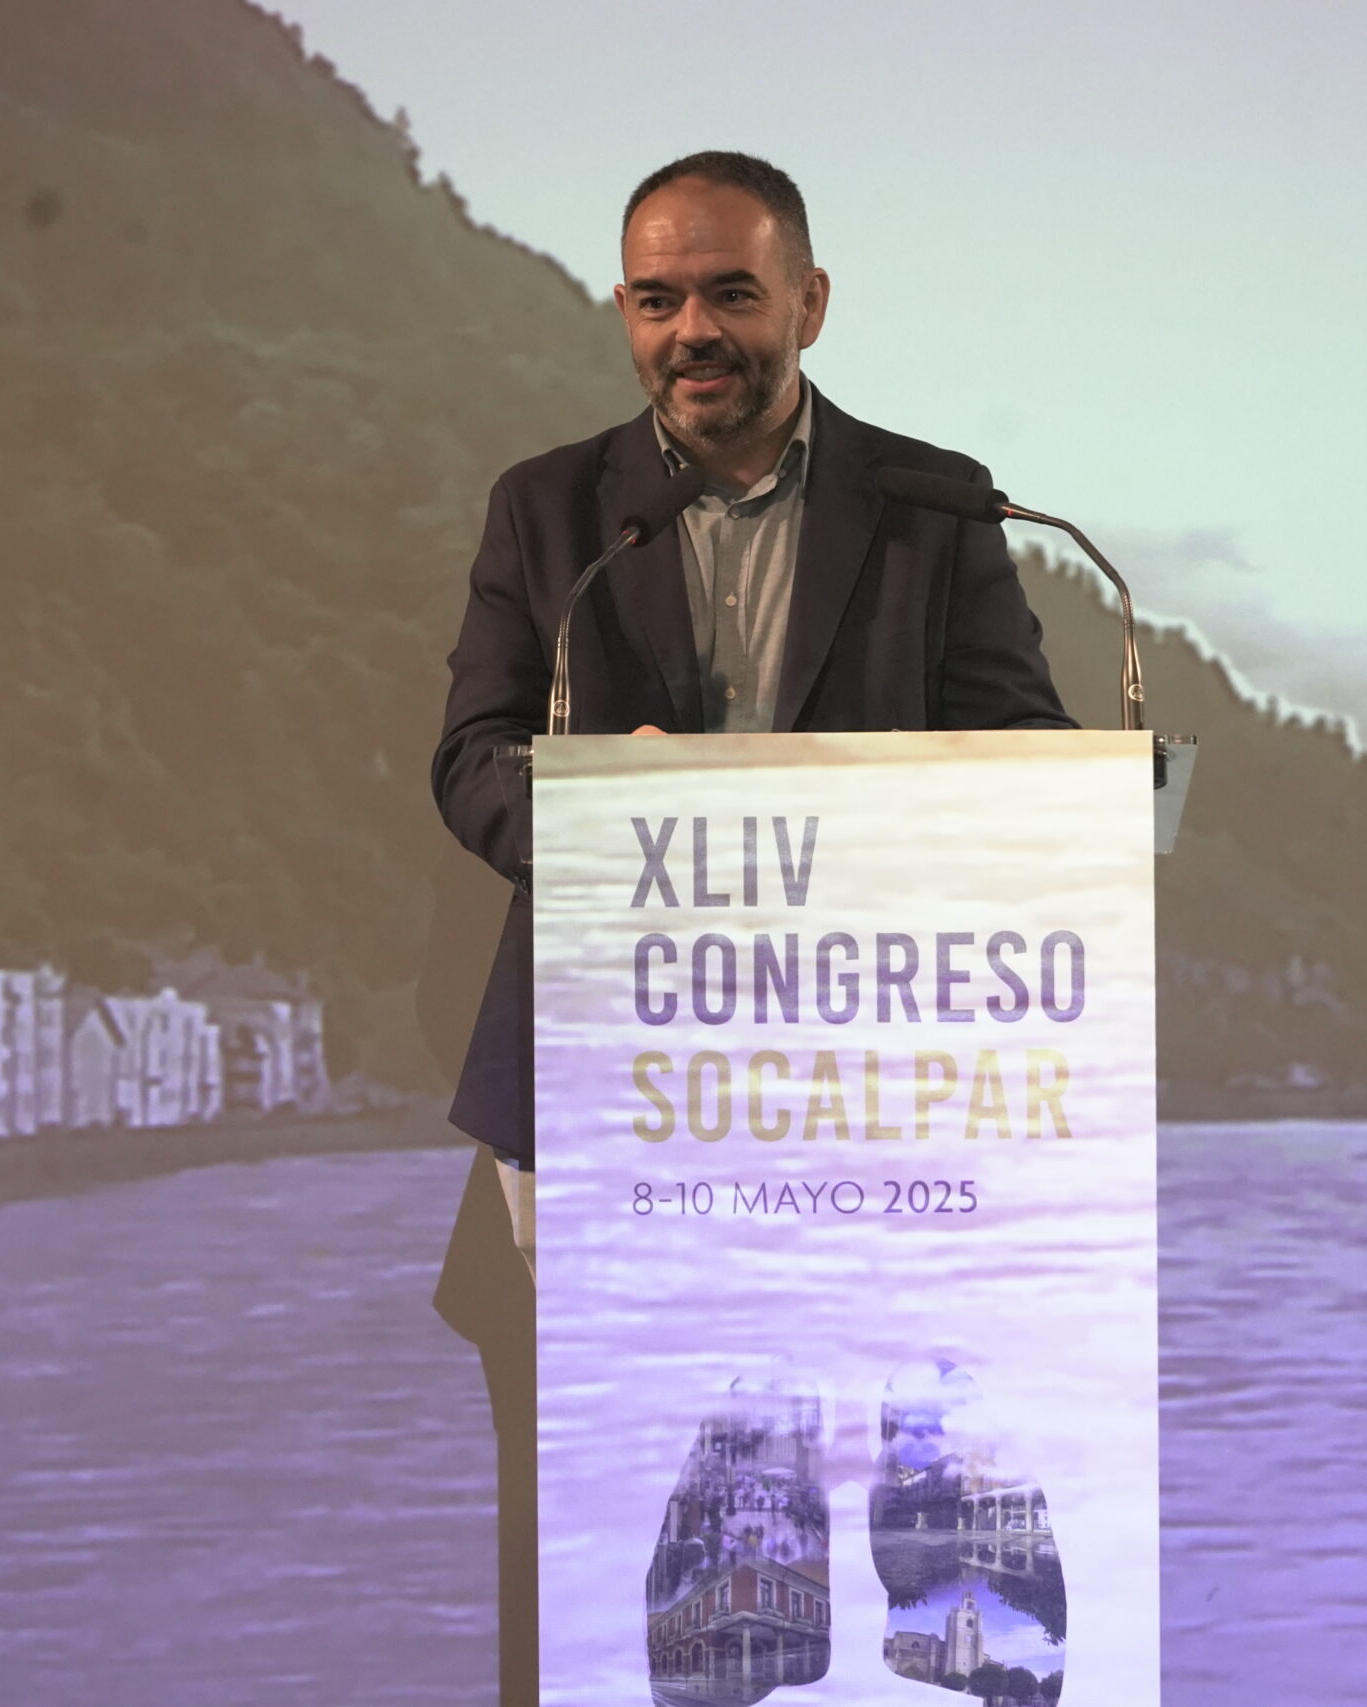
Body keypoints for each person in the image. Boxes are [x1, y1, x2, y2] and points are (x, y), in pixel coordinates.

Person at [428, 149, 1072, 1706]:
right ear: (625, 313)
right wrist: (614, 807)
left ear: (811, 302)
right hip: (610, 1080)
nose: (692, 332)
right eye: (658, 301)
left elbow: (1031, 757)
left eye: (730, 292)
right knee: (662, 1519)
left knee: (922, 1487)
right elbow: (473, 762)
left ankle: (944, 1641)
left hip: (884, 1082)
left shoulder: (931, 505)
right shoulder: (551, 510)